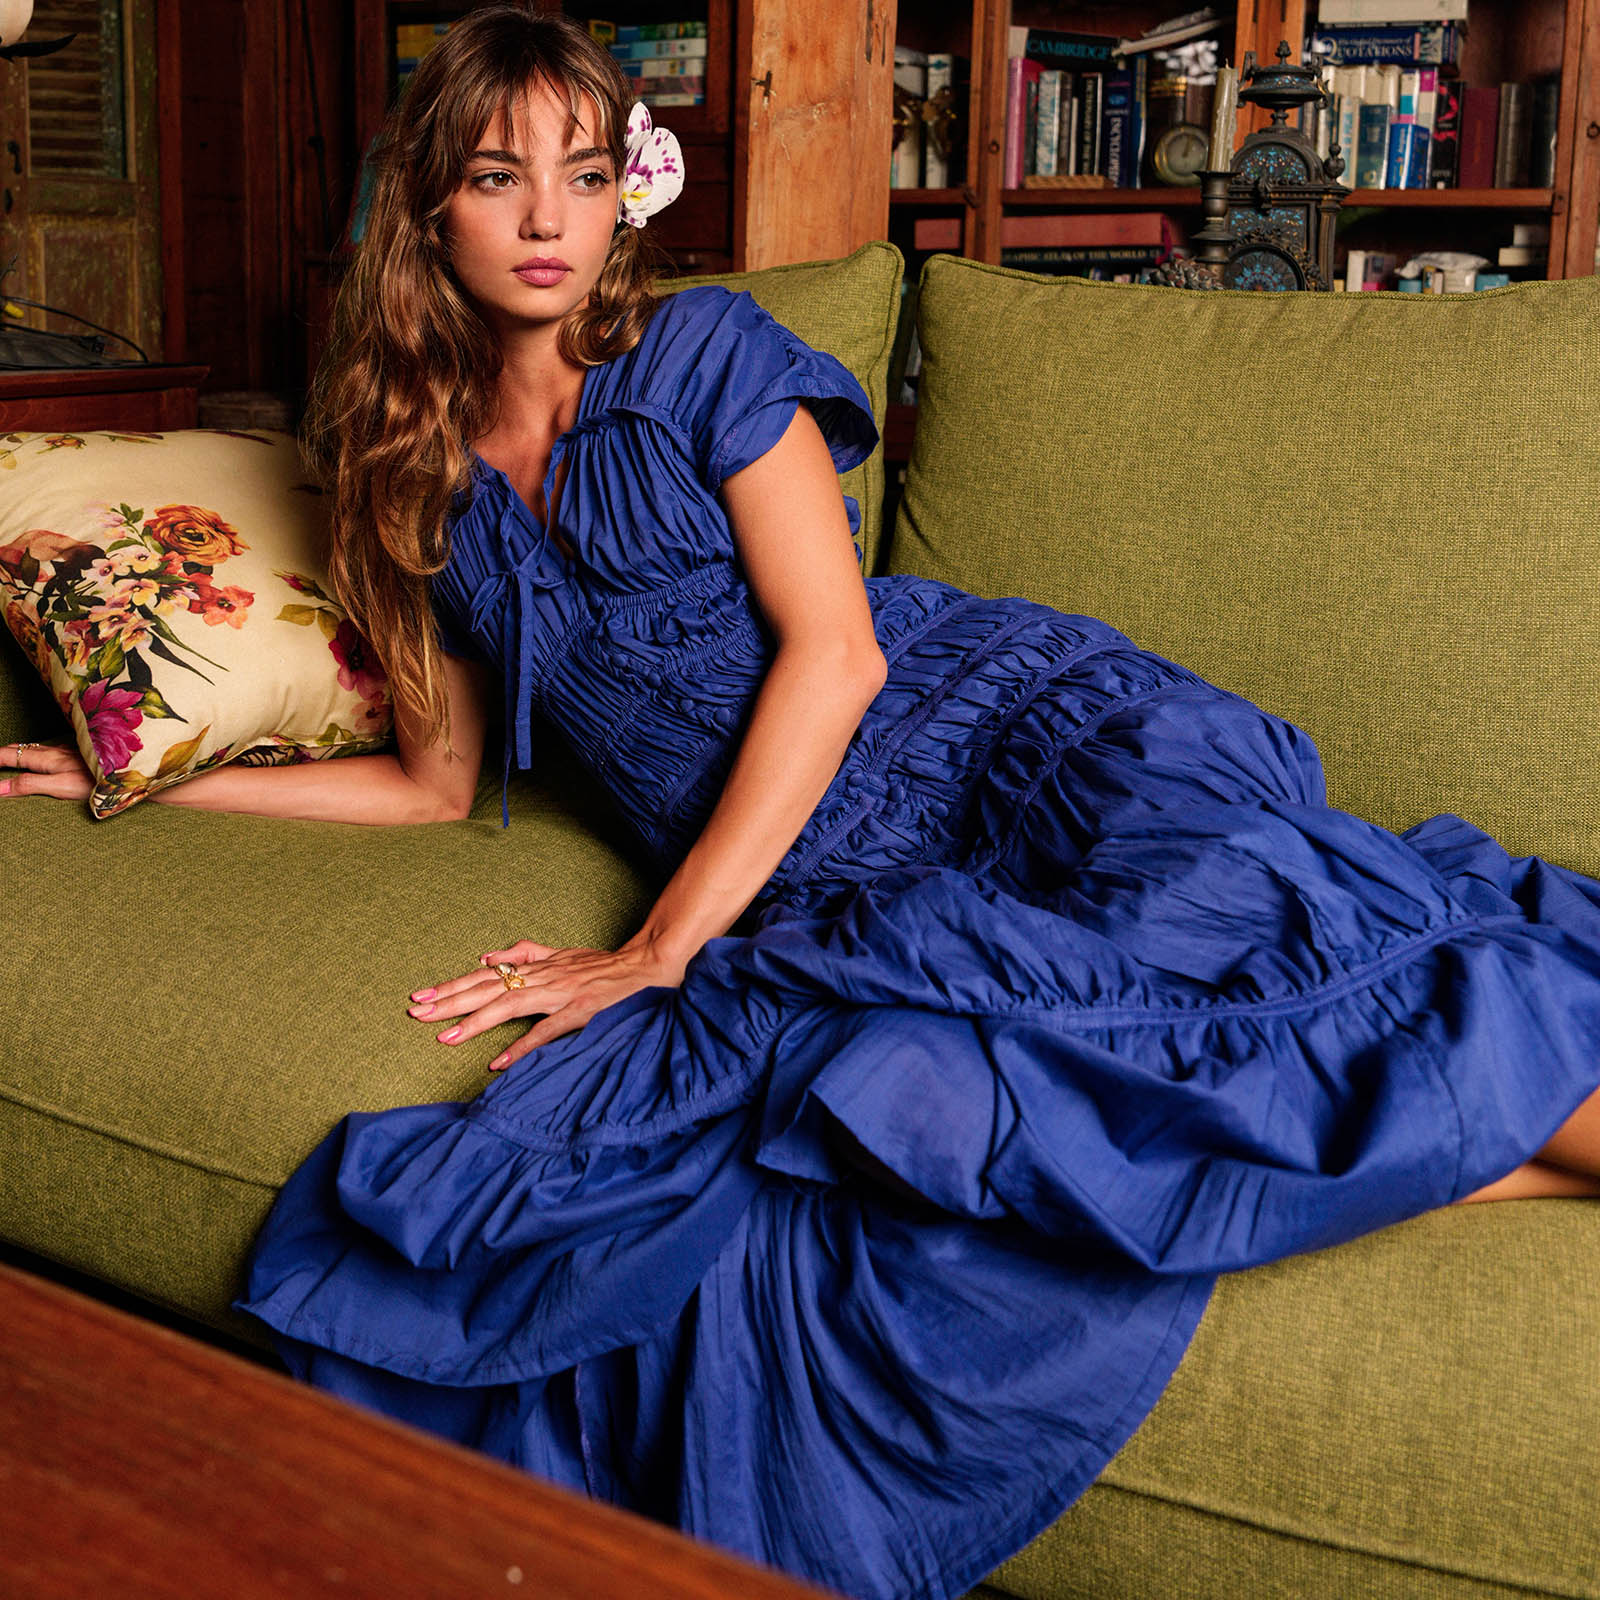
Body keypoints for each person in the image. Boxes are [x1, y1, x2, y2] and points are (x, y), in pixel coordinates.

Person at [5, 7, 1600, 1598]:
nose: (549, 218)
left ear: (624, 185)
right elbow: (435, 782)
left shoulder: (704, 356)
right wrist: (154, 771)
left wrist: (660, 948)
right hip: (837, 881)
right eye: (500, 178)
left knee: (1237, 952)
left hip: (1020, 735)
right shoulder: (411, 472)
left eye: (580, 171)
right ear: (431, 205)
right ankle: (1464, 1141)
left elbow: (836, 660)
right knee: (922, 1110)